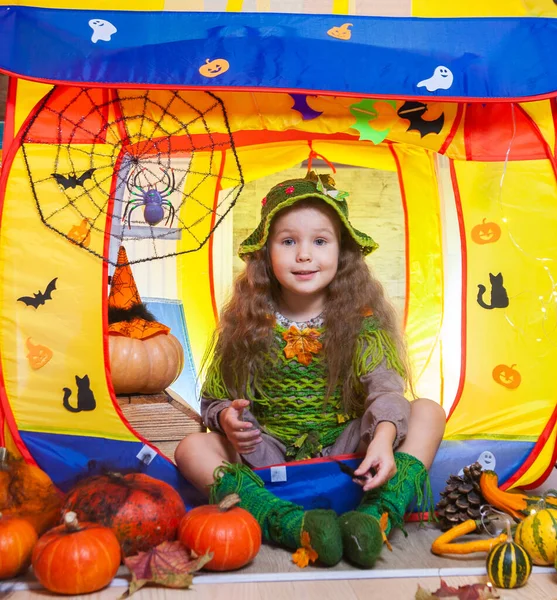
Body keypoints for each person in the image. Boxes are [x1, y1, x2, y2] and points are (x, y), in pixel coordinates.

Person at [175, 171, 446, 568]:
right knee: (191, 448)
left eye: (320, 241)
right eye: (288, 242)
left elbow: (386, 391)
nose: (304, 255)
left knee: (427, 411)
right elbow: (215, 400)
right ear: (266, 254)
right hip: (268, 461)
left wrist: (383, 439)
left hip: (349, 456)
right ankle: (286, 522)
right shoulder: (248, 323)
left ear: (342, 253)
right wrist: (228, 420)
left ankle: (376, 516)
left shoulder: (361, 319)